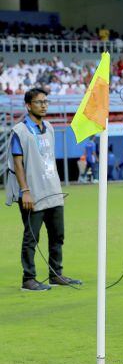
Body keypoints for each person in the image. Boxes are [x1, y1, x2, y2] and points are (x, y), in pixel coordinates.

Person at [6, 88, 82, 291]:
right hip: (33, 193)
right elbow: (18, 164)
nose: (44, 105)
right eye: (39, 102)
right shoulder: (19, 131)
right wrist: (25, 191)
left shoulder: (48, 127)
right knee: (32, 237)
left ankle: (56, 274)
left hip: (53, 190)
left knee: (58, 235)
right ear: (28, 105)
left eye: (46, 101)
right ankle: (28, 278)